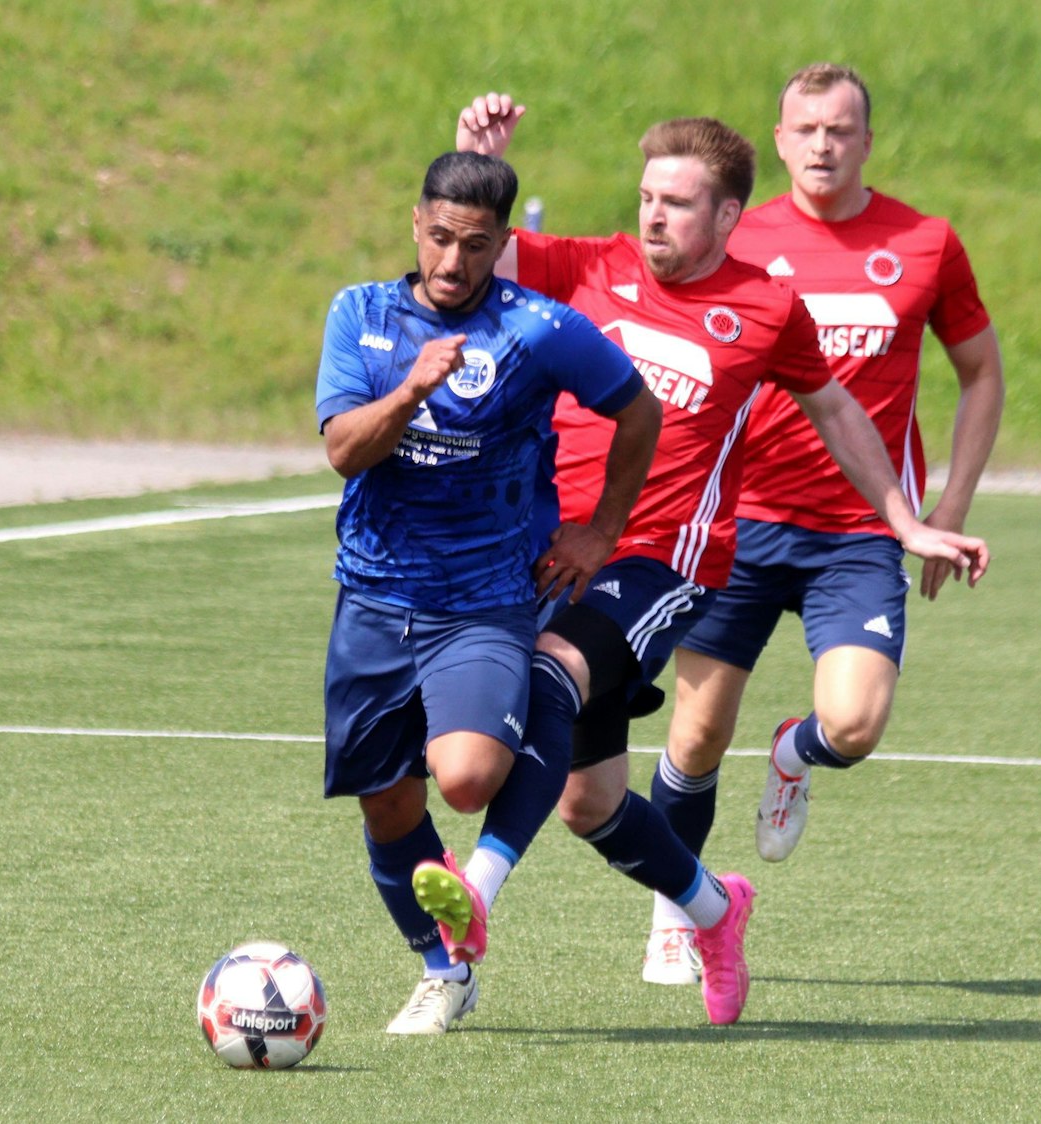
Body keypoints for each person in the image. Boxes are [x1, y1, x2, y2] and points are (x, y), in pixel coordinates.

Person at [446, 95, 990, 1023]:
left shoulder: (764, 308)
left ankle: (475, 901)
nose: (655, 213)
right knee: (588, 803)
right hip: (545, 550)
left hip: (664, 563)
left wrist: (905, 518)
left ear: (727, 216)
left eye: (680, 202)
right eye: (649, 196)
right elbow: (466, 255)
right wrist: (474, 160)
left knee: (552, 674)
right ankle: (711, 906)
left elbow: (838, 414)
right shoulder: (591, 267)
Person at [637, 63, 1008, 986]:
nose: (821, 145)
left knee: (853, 724)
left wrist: (946, 508)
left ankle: (792, 755)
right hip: (738, 527)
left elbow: (981, 375)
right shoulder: (737, 236)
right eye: (804, 129)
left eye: (839, 130)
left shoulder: (925, 243)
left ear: (866, 141)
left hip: (857, 533)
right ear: (778, 138)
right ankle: (677, 909)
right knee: (691, 740)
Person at [316, 150, 661, 1035]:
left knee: (464, 779)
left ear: (503, 242)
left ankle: (475, 892)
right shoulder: (359, 315)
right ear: (416, 225)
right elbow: (346, 451)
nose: (452, 262)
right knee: (388, 805)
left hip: (482, 599)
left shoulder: (537, 329)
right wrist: (411, 389)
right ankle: (444, 968)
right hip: (372, 595)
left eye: (474, 245)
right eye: (439, 238)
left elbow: (638, 410)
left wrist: (600, 530)